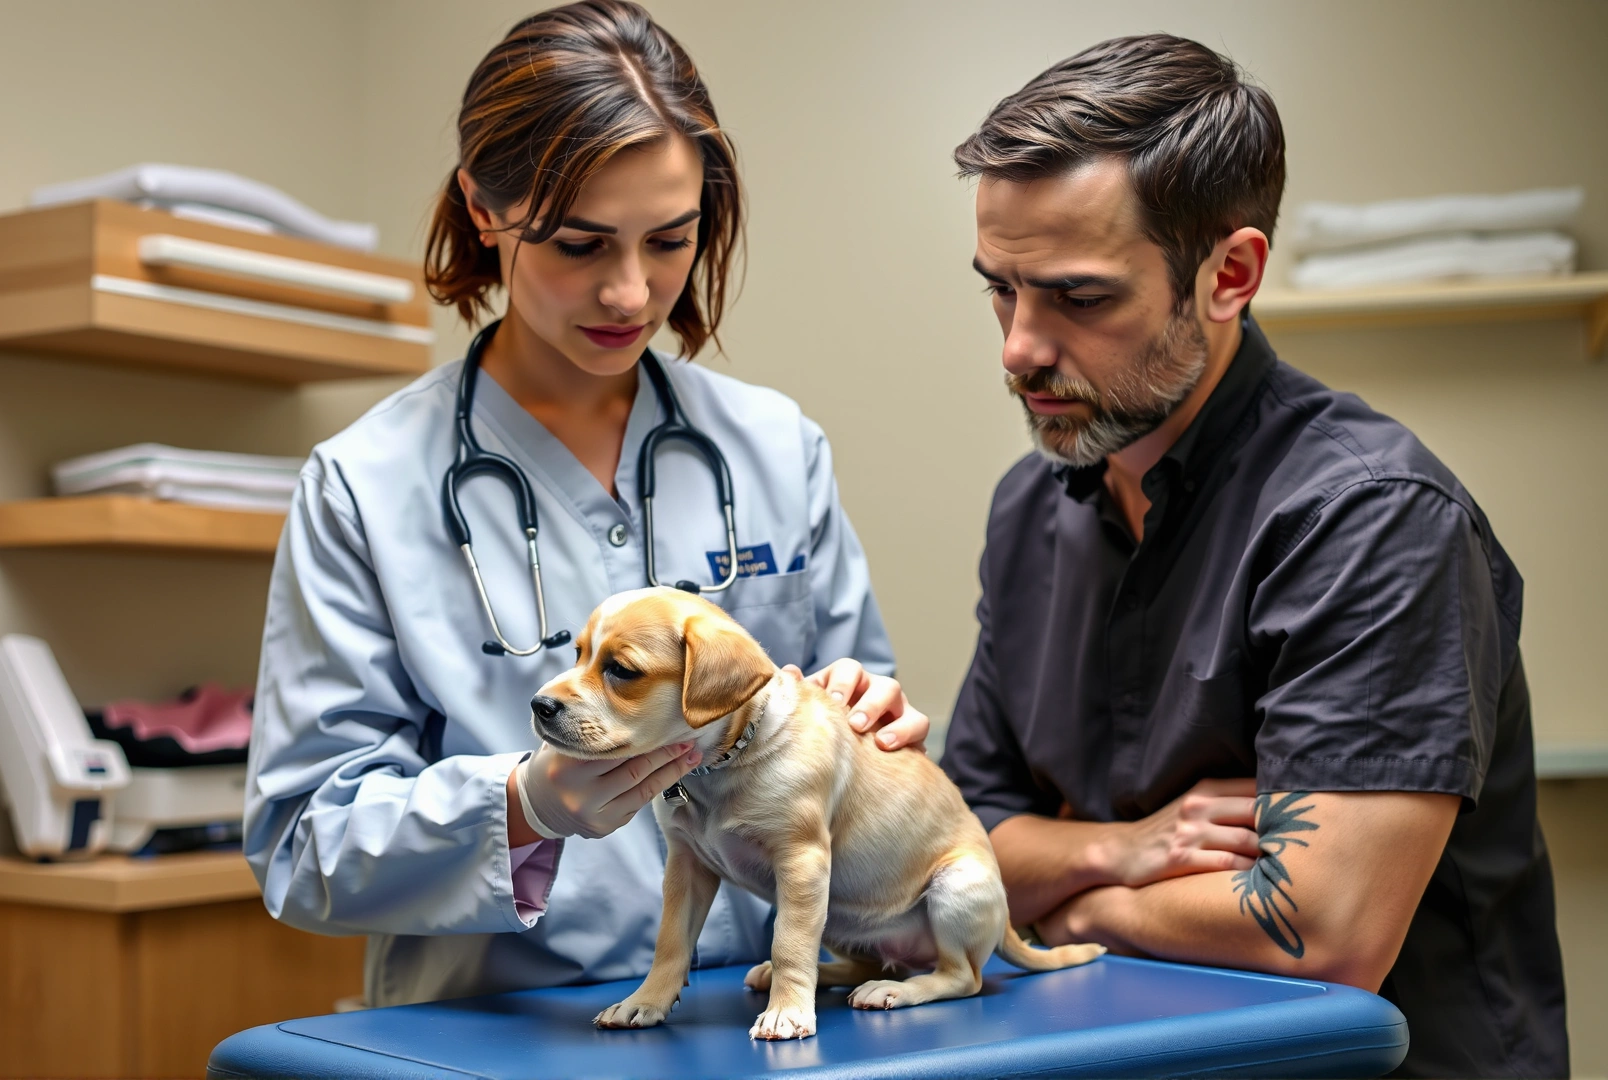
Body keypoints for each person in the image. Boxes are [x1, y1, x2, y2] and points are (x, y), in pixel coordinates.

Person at [246, 0, 926, 1009]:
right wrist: (524, 805)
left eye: (670, 241)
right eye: (579, 243)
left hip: (767, 1024)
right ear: (484, 209)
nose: (630, 294)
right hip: (493, 1041)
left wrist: (871, 726)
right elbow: (302, 842)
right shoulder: (365, 486)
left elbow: (856, 724)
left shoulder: (777, 451)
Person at [939, 34, 1567, 1078]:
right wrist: (1123, 849)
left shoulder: (1368, 518)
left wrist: (1072, 899)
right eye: (1001, 289)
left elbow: (1325, 928)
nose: (1018, 347)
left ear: (1228, 274)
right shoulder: (1029, 510)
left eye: (1079, 298)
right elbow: (959, 844)